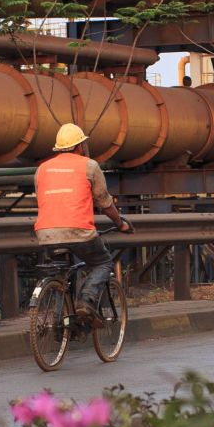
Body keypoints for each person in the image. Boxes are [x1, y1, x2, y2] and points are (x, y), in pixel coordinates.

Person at [33, 122, 132, 298]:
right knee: (103, 263)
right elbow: (104, 202)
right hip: (78, 231)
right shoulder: (89, 166)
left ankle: (59, 320)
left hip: (46, 234)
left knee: (62, 278)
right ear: (80, 145)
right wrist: (120, 223)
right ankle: (87, 299)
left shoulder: (42, 169)